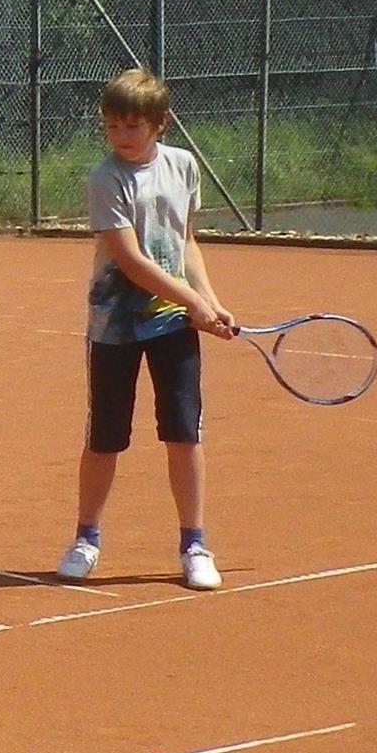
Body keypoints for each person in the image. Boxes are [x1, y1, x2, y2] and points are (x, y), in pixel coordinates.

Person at [65, 66, 236, 590]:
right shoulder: (105, 179)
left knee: (184, 433)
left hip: (173, 326)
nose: (121, 136)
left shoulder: (183, 166)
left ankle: (195, 545)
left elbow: (186, 243)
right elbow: (132, 261)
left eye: (132, 126)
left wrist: (211, 302)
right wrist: (194, 302)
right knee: (106, 437)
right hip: (114, 326)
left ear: (160, 124)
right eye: (112, 126)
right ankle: (86, 539)